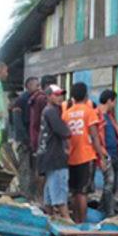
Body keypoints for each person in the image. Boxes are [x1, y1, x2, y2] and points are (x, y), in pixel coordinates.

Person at [62, 82, 107, 223]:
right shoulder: (89, 112)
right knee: (82, 193)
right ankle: (82, 223)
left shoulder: (66, 114)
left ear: (72, 96)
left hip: (71, 158)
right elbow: (94, 136)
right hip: (86, 156)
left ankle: (75, 221)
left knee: (74, 192)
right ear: (86, 96)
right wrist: (102, 157)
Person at [36, 84, 71, 219]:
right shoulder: (51, 111)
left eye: (61, 94)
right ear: (48, 96)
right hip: (55, 157)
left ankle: (51, 220)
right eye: (56, 95)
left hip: (47, 157)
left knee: (50, 195)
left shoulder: (49, 111)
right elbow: (64, 132)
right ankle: (68, 222)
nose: (59, 97)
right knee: (60, 195)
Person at [97, 89, 118, 216]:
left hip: (115, 153)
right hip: (105, 154)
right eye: (114, 101)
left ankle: (102, 208)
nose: (115, 104)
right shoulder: (96, 115)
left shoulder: (109, 116)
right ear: (109, 101)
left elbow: (115, 135)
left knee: (115, 184)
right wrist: (102, 155)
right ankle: (109, 213)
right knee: (109, 184)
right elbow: (95, 137)